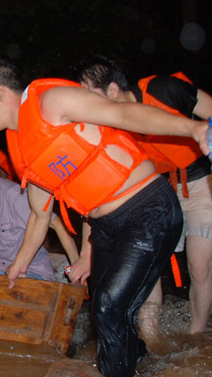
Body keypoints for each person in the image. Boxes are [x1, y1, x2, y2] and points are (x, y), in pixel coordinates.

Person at [0, 59, 207, 377]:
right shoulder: (22, 146)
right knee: (104, 308)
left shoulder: (51, 101)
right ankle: (148, 374)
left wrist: (193, 129)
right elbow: (41, 214)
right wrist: (18, 267)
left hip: (148, 209)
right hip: (107, 227)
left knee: (109, 307)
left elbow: (122, 114)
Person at [78, 56, 212, 335]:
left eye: (92, 97)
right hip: (159, 191)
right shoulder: (107, 128)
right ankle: (151, 337)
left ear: (113, 91)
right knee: (147, 264)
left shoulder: (164, 89)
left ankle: (196, 338)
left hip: (202, 181)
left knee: (199, 267)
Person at [0, 138, 78, 278]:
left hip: (32, 274)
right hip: (3, 269)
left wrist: (76, 269)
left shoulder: (14, 196)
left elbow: (57, 223)